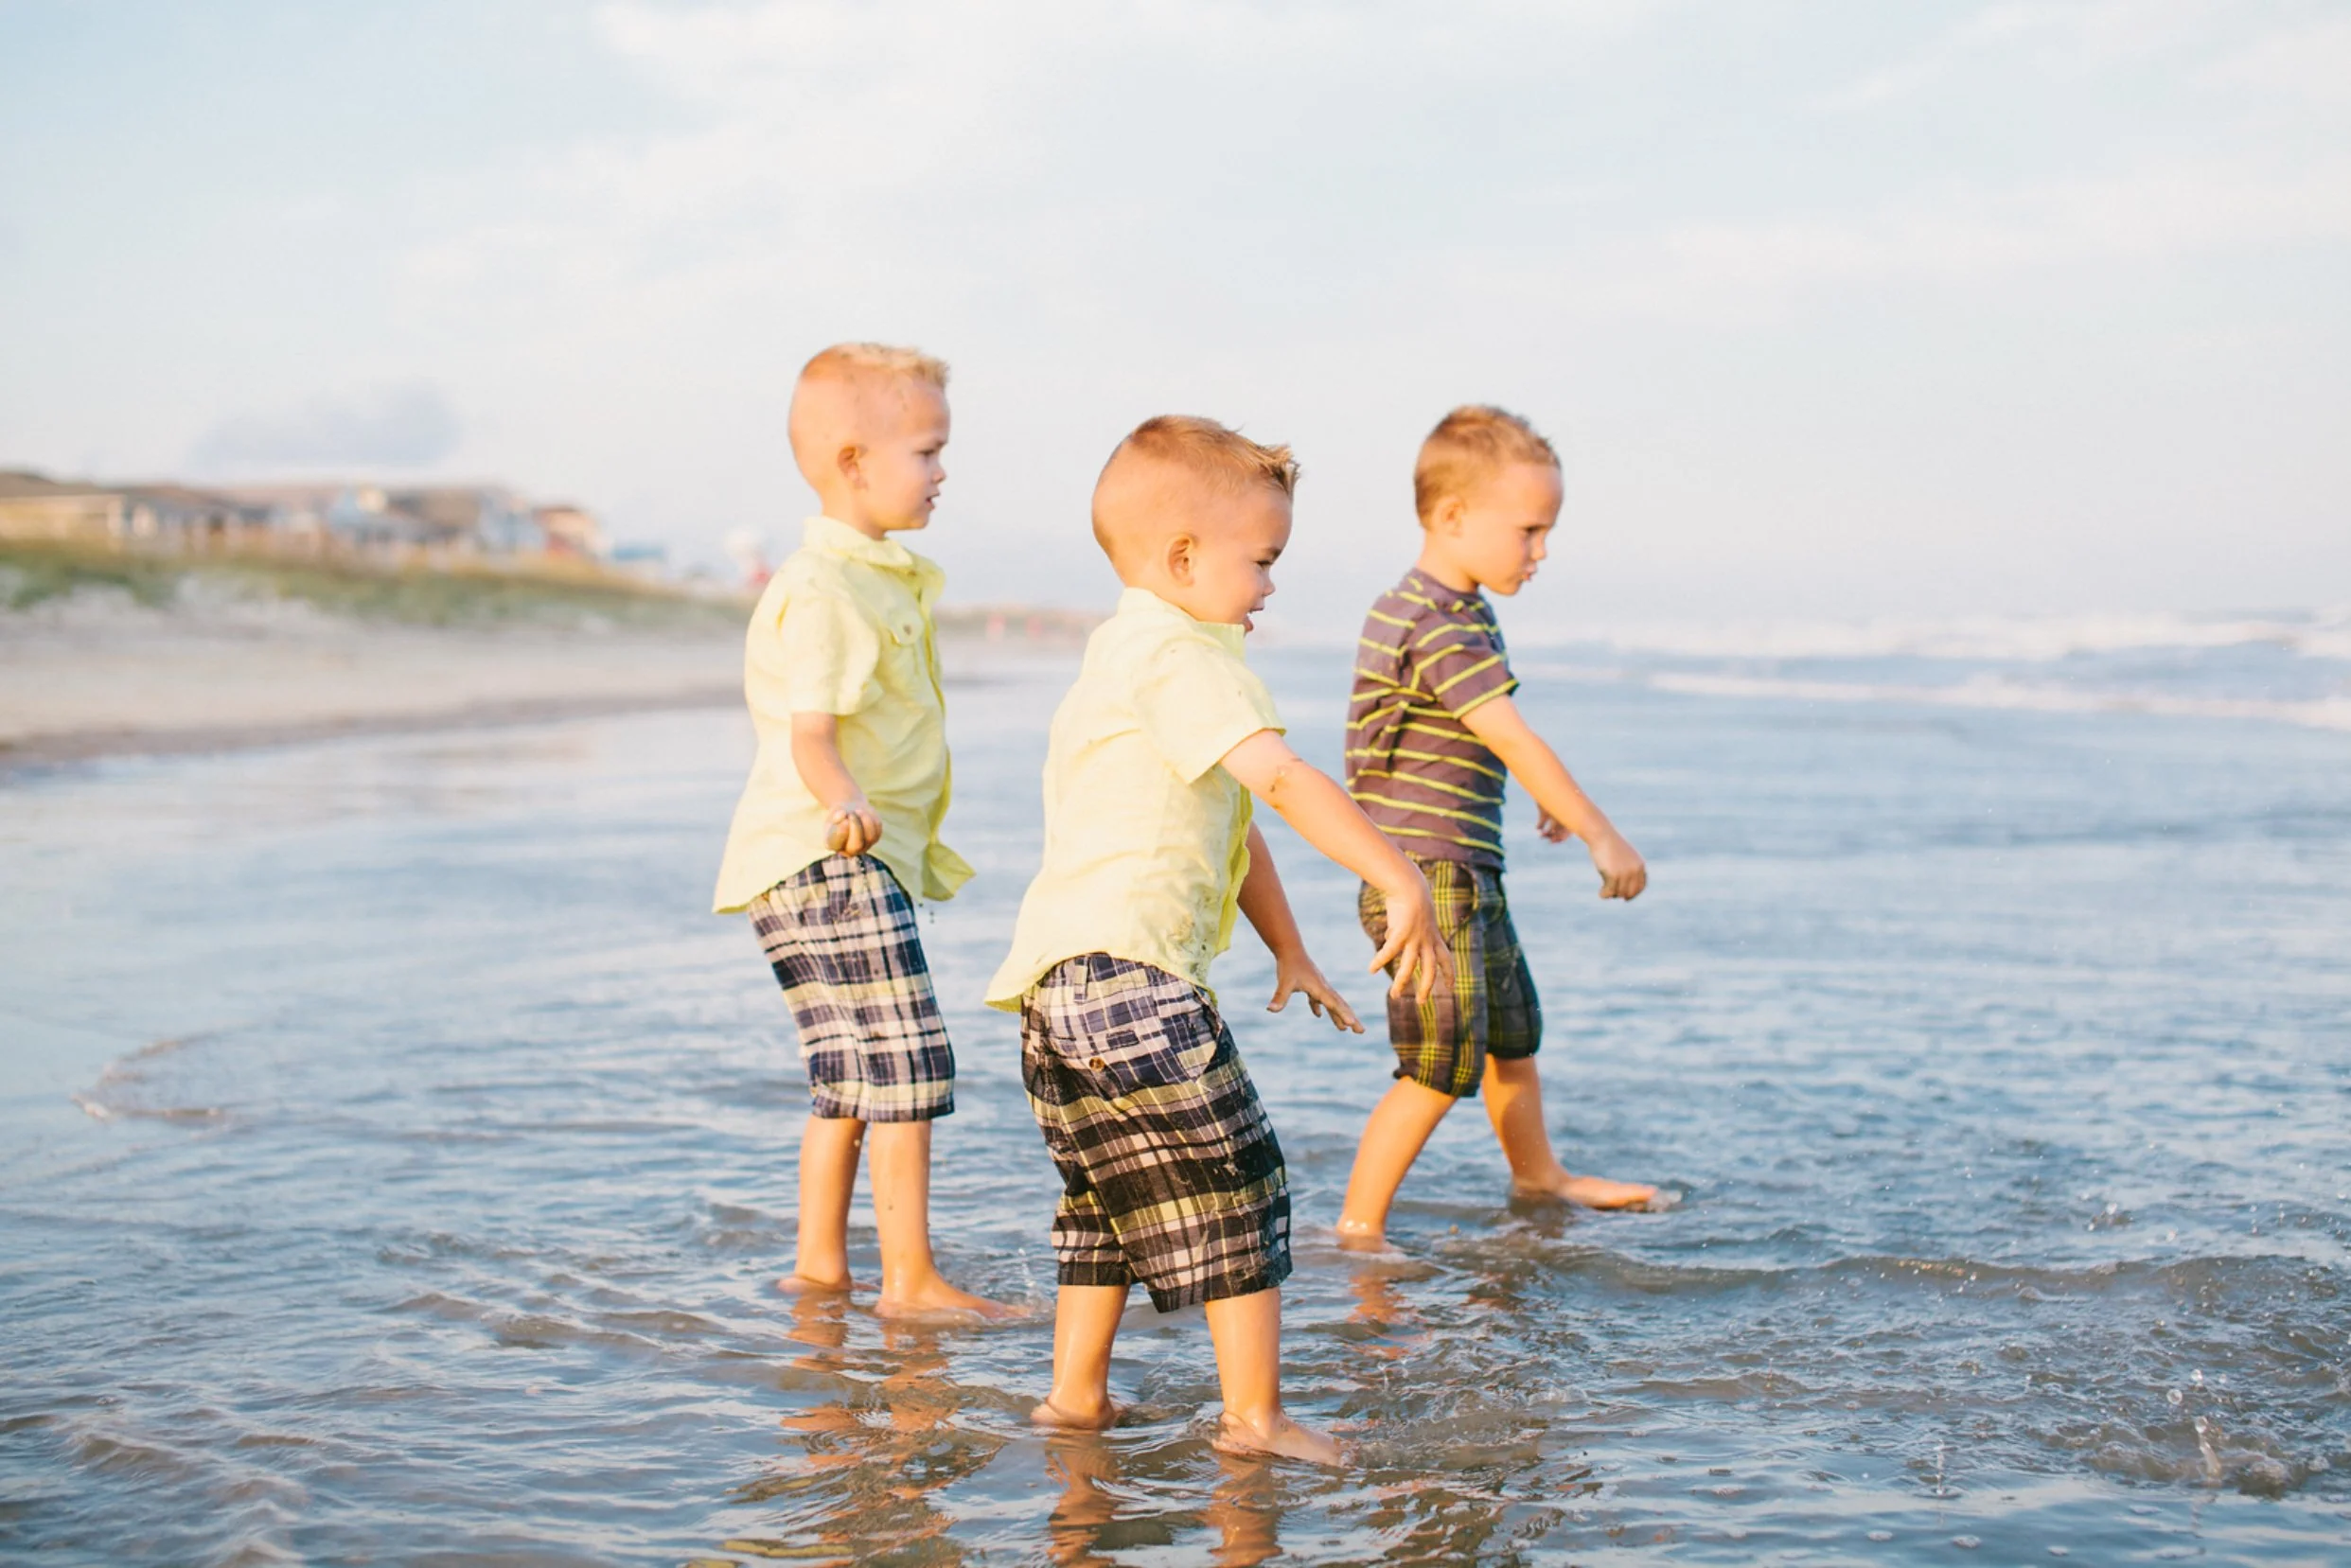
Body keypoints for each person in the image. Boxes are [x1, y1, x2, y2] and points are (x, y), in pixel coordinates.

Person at [984, 415, 1447, 1462]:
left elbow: (1235, 833)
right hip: (1135, 984)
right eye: (1263, 561)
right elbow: (1280, 782)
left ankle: (1075, 1397)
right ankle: (1256, 1418)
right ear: (1185, 557)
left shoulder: (1121, 657)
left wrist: (1291, 951)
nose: (1272, 588)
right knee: (1239, 1178)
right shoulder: (1184, 657)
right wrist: (1396, 871)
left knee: (1107, 1198)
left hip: (1063, 992)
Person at [712, 342, 1010, 1319]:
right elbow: (811, 732)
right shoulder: (828, 588)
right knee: (909, 1065)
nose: (942, 472)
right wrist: (845, 802)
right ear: (853, 460)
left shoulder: (872, 576)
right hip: (831, 854)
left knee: (848, 1071)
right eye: (927, 452)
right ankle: (910, 1281)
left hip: (807, 859)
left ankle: (821, 1267)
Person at [1336, 404, 1658, 1253]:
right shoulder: (1432, 617)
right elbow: (1512, 733)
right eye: (1529, 531)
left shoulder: (1464, 608)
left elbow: (1480, 734)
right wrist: (1599, 832)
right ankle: (1359, 1227)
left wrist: (1539, 795)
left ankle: (1538, 1172)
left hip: (1470, 867)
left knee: (1513, 1037)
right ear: (1452, 517)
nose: (1541, 551)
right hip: (1422, 876)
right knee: (1440, 1063)